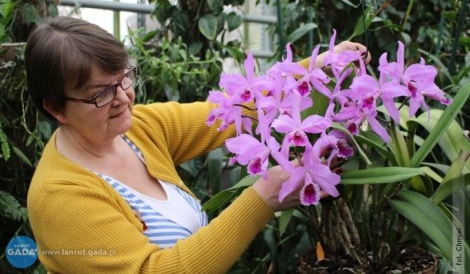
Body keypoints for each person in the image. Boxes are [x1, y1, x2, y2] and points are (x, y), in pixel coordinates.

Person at [25, 16, 369, 273]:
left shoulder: (139, 129)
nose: (123, 99)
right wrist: (260, 199)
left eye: (124, 79)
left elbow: (230, 109)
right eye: (100, 93)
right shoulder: (60, 197)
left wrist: (319, 67)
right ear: (55, 108)